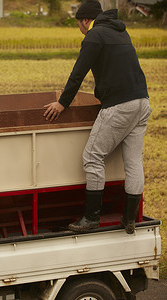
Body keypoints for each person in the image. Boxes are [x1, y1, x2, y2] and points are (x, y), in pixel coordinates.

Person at [43, 0, 152, 234]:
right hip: (142, 102)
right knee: (133, 163)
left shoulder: (94, 35)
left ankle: (91, 218)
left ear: (85, 20)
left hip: (120, 105)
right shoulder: (121, 32)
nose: (79, 29)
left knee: (92, 157)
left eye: (79, 24)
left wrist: (62, 103)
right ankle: (130, 219)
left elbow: (78, 73)